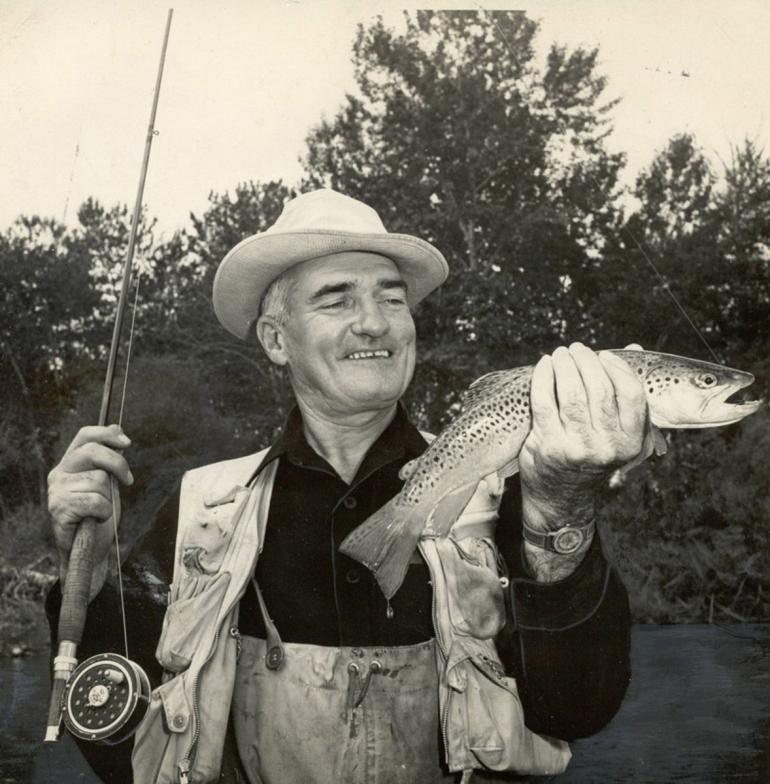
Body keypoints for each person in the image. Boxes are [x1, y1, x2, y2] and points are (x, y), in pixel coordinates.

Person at [47, 189, 639, 783]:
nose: (374, 321)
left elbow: (578, 710)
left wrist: (562, 503)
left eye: (392, 297)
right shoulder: (203, 507)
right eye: (337, 300)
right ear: (277, 340)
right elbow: (122, 750)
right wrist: (91, 576)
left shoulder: (512, 481)